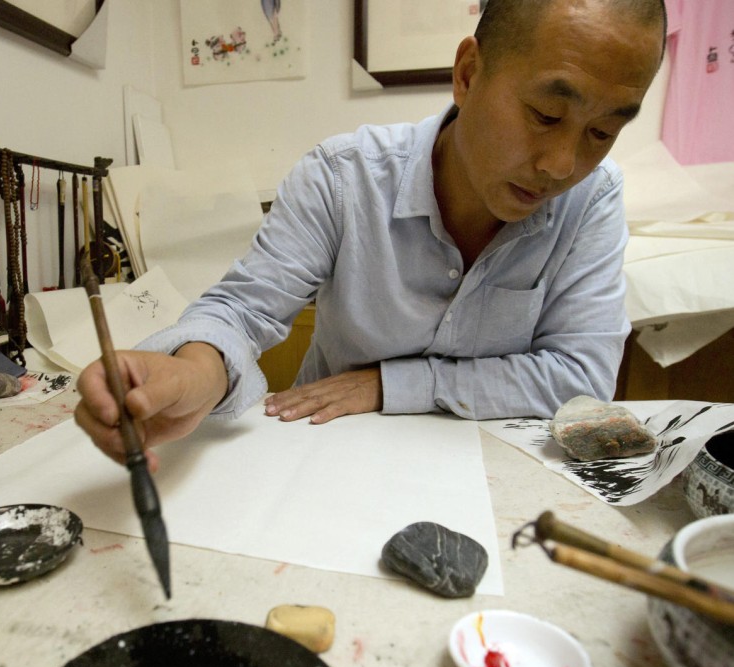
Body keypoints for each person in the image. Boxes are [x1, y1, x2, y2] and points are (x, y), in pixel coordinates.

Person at [76, 0, 668, 469]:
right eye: (545, 116)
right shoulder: (342, 178)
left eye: (603, 132)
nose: (563, 165)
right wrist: (193, 371)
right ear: (468, 75)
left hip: (496, 474)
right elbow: (241, 311)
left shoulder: (593, 197)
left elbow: (581, 377)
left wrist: (393, 384)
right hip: (325, 459)